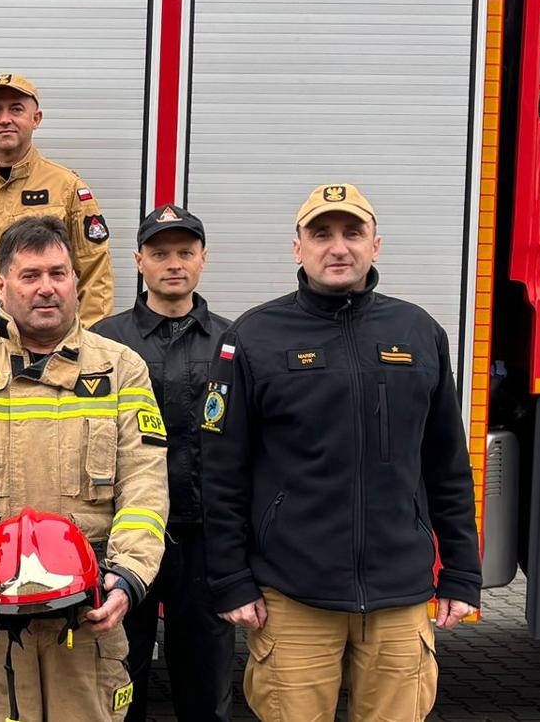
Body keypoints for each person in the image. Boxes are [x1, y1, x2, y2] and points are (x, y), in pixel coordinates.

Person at [202, 184, 481, 721]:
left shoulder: (418, 331)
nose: (338, 247)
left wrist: (463, 573)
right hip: (293, 595)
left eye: (353, 233)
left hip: (400, 597)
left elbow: (447, 464)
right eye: (321, 233)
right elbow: (221, 472)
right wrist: (232, 580)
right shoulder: (253, 337)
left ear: (376, 245)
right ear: (297, 247)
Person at [0, 215, 170, 722]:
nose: (46, 288)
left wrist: (129, 577)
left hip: (90, 618)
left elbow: (145, 482)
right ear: (1, 287)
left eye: (58, 273)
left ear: (77, 281)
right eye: (30, 276)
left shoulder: (120, 369)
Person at [89, 205, 236, 722]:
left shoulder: (234, 342)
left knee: (205, 681)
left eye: (184, 252)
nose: (173, 263)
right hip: (120, 538)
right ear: (138, 261)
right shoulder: (103, 342)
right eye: (159, 253)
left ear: (203, 260)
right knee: (116, 681)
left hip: (203, 540)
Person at [0, 73, 114, 325]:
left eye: (16, 109)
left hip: (40, 333)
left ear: (36, 118)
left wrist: (85, 341)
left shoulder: (67, 188)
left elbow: (95, 272)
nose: (5, 119)